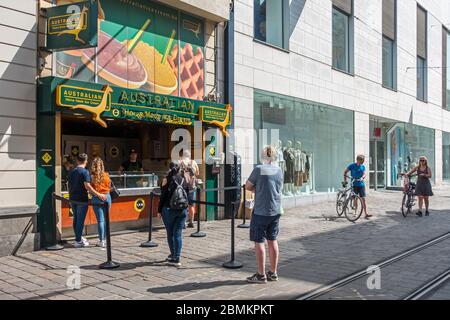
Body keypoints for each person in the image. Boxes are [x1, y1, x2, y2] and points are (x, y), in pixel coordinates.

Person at [245, 146, 283, 284]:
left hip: (261, 211)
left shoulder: (258, 169)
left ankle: (261, 275)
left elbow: (247, 186)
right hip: (275, 210)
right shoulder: (279, 170)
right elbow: (278, 188)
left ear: (262, 156)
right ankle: (273, 273)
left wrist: (258, 189)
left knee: (259, 241)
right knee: (273, 240)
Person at [68, 153, 107, 248]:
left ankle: (78, 237)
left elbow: (69, 184)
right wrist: (98, 194)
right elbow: (88, 186)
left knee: (76, 219)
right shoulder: (85, 172)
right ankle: (78, 241)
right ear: (86, 161)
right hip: (82, 199)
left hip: (72, 198)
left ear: (77, 161)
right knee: (80, 220)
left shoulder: (72, 171)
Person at [158, 162, 190, 267]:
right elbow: (187, 194)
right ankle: (177, 257)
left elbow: (162, 196)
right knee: (178, 234)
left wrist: (159, 211)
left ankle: (172, 255)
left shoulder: (166, 180)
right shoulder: (183, 180)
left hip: (168, 209)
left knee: (170, 233)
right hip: (182, 210)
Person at [90, 157, 112, 248]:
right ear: (102, 165)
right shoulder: (107, 175)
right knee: (106, 219)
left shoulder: (91, 176)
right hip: (107, 197)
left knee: (100, 220)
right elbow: (110, 186)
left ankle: (101, 240)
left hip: (97, 197)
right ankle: (106, 239)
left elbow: (90, 190)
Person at [344, 155, 372, 219]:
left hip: (361, 185)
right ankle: (355, 212)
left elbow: (364, 173)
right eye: (363, 160)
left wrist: (362, 177)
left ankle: (366, 213)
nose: (364, 161)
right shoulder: (352, 165)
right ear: (358, 160)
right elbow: (345, 172)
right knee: (355, 199)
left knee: (363, 199)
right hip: (354, 185)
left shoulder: (363, 166)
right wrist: (345, 180)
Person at [179, 149, 200, 228]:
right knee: (191, 205)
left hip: (182, 187)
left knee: (182, 205)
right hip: (191, 187)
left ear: (182, 155)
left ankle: (183, 223)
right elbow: (197, 173)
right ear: (189, 155)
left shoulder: (180, 162)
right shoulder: (193, 162)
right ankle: (191, 222)